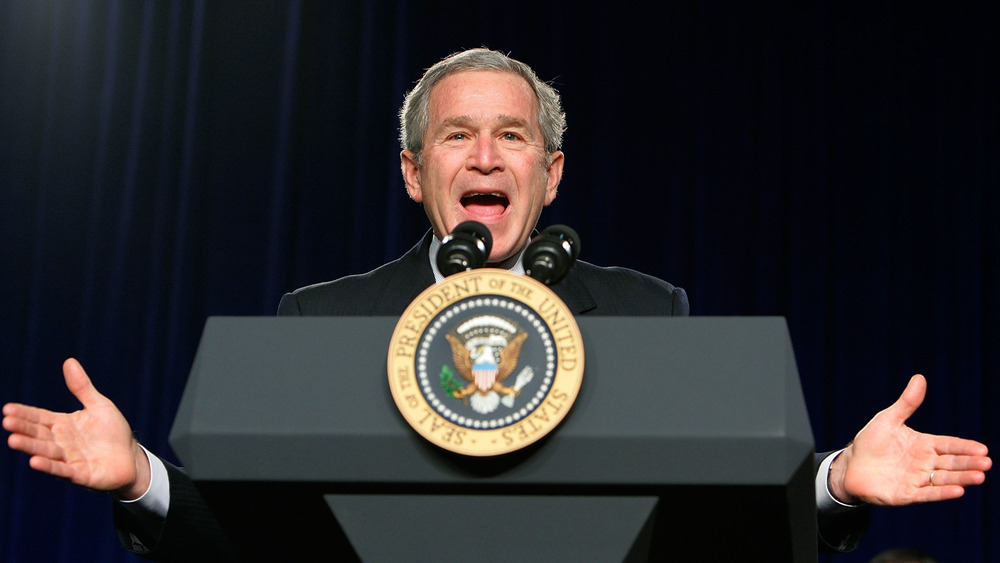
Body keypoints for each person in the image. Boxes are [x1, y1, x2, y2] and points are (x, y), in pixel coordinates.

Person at [3, 48, 992, 561]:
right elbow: (261, 539)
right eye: (457, 136)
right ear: (410, 170)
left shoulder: (646, 314)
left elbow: (721, 522)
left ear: (550, 172)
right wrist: (142, 477)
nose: (485, 156)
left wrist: (836, 480)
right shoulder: (323, 321)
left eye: (512, 136)